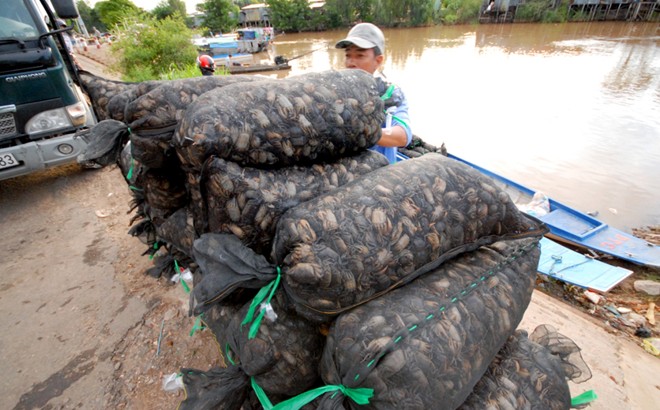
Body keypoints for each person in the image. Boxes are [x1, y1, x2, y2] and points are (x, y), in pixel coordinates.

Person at [335, 23, 412, 164]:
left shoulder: (390, 94)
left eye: (360, 55)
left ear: (378, 60)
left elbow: (403, 136)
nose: (351, 62)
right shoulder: (334, 92)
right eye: (348, 55)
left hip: (381, 175)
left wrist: (362, 133)